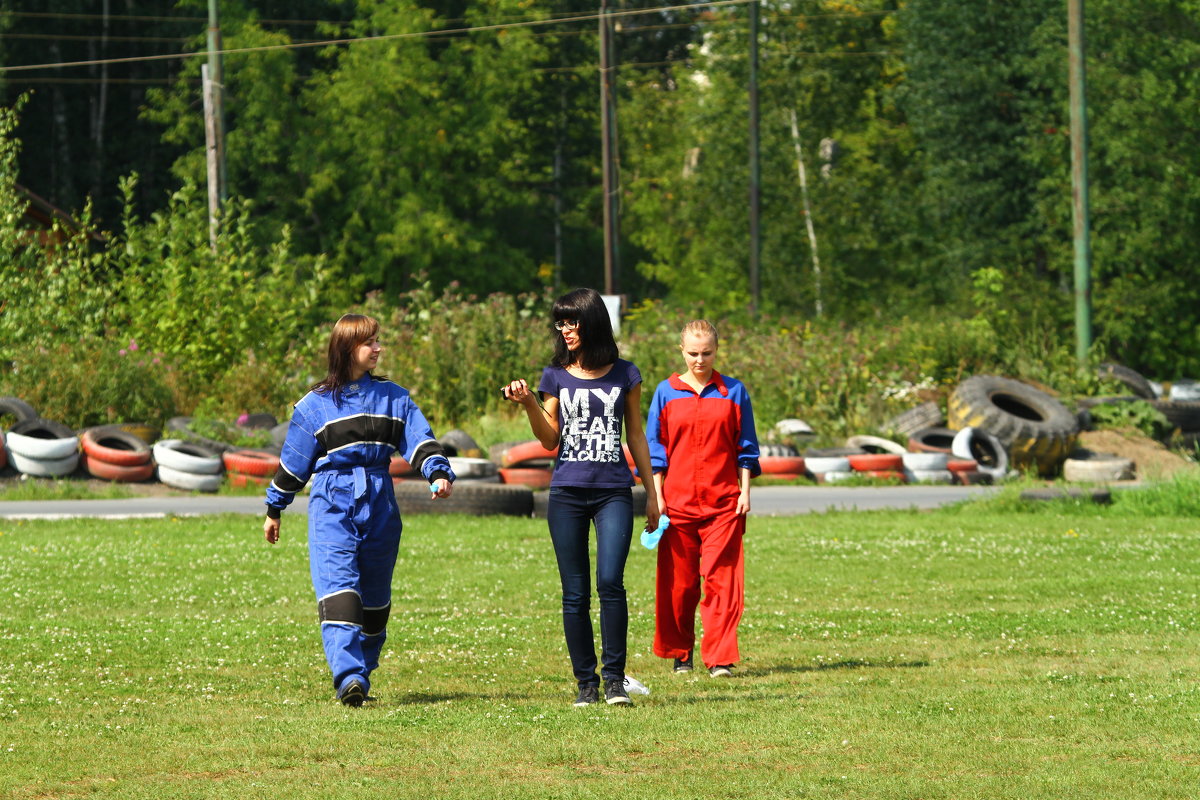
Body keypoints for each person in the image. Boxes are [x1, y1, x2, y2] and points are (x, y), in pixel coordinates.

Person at [262, 313, 455, 706]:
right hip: (332, 501)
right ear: (348, 348)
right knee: (339, 590)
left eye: (378, 341)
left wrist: (437, 472)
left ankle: (362, 673)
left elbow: (419, 437)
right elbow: (294, 461)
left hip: (381, 500)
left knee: (375, 599)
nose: (379, 349)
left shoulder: (395, 397)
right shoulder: (314, 405)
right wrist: (274, 507)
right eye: (370, 343)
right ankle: (347, 674)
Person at [502, 288, 660, 707]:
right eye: (560, 322)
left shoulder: (626, 373)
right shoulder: (554, 374)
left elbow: (637, 436)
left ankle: (614, 682)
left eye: (572, 321)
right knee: (574, 592)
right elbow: (550, 439)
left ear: (591, 322)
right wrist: (529, 405)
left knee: (610, 582)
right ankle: (586, 685)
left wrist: (652, 493)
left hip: (613, 492)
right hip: (567, 493)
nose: (565, 330)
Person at [646, 320, 759, 678]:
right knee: (679, 586)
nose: (699, 360)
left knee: (721, 581)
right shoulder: (665, 392)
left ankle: (720, 658)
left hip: (724, 503)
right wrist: (658, 497)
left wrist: (745, 492)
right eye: (693, 353)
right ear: (681, 350)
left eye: (706, 353)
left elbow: (746, 447)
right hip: (676, 505)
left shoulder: (734, 392)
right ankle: (681, 652)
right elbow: (655, 449)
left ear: (716, 351)